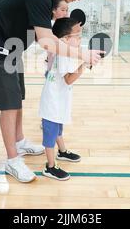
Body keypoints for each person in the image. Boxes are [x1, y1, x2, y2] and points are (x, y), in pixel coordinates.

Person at [0, 0, 103, 183]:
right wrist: (82, 55)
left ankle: (20, 141)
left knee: (16, 100)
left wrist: (60, 49)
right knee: (8, 105)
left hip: (11, 50)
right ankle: (12, 160)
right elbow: (45, 41)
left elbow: (43, 36)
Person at [40, 18, 83, 181]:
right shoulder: (64, 55)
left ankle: (62, 152)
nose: (80, 39)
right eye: (77, 36)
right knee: (50, 134)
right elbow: (68, 79)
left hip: (59, 100)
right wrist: (84, 65)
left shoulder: (67, 52)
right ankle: (50, 167)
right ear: (65, 39)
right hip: (52, 102)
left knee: (58, 128)